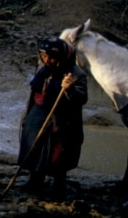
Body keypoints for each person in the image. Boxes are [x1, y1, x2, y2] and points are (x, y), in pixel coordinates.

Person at [17, 37, 88, 198]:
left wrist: (69, 89)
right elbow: (36, 91)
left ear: (62, 57)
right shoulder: (43, 68)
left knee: (58, 155)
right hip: (38, 113)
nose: (47, 60)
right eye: (44, 56)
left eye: (52, 57)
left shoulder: (76, 73)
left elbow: (82, 98)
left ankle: (58, 187)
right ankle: (34, 181)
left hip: (62, 120)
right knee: (34, 149)